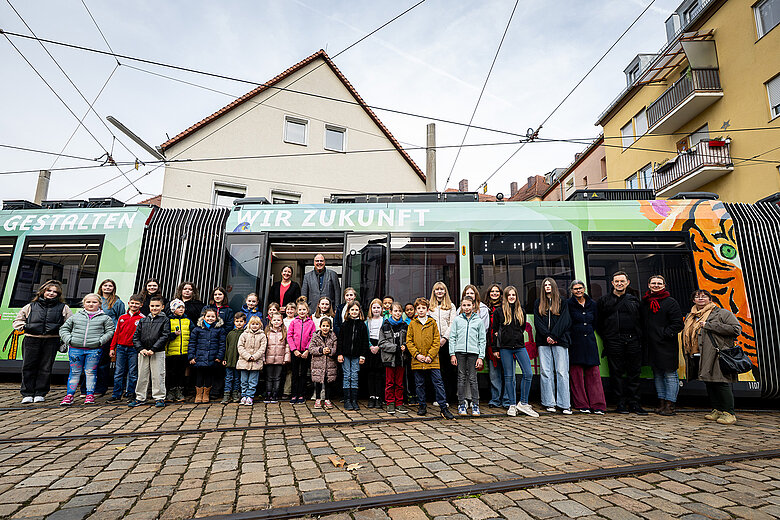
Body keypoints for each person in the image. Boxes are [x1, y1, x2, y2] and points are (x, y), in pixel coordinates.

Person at [682, 289, 742, 425]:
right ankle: (717, 410)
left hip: (717, 353)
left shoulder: (722, 313)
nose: (700, 299)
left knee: (721, 382)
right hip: (699, 354)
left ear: (710, 299)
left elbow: (736, 329)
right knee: (709, 382)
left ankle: (729, 413)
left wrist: (709, 325)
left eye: (704, 297)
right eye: (697, 297)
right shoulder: (691, 315)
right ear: (693, 300)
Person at [14, 280, 73, 404]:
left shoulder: (64, 307)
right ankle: (27, 393)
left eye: (55, 292)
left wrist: (61, 333)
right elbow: (17, 321)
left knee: (45, 367)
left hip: (51, 341)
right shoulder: (30, 306)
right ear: (43, 291)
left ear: (58, 294)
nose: (51, 293)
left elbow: (70, 323)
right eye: (49, 291)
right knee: (28, 366)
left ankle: (40, 393)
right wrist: (26, 327)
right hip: (31, 340)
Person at [597, 271, 647, 415]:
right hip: (614, 341)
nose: (619, 284)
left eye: (622, 281)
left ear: (627, 283)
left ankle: (635, 404)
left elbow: (641, 321)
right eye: (616, 281)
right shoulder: (604, 301)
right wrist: (608, 336)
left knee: (634, 373)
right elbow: (599, 322)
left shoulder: (634, 300)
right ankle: (620, 403)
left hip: (633, 340)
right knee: (616, 373)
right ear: (612, 283)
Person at [59, 294, 115, 405]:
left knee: (91, 372)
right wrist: (69, 340)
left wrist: (100, 341)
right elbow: (64, 328)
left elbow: (110, 331)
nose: (91, 304)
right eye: (88, 302)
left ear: (99, 304)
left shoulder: (105, 318)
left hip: (94, 350)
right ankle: (69, 396)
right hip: (75, 349)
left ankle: (90, 395)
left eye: (94, 302)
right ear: (84, 303)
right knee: (74, 372)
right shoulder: (76, 316)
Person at [640, 275, 684, 416]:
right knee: (657, 374)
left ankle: (670, 405)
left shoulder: (671, 302)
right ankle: (661, 403)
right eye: (654, 283)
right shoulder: (645, 302)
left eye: (659, 283)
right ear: (649, 285)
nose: (656, 285)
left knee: (670, 374)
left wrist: (664, 334)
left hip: (666, 345)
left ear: (664, 285)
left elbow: (678, 323)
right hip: (651, 344)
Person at [407, 297, 454, 419]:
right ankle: (422, 405)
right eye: (419, 308)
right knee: (420, 384)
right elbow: (409, 342)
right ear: (416, 310)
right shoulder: (412, 324)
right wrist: (417, 355)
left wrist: (430, 356)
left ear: (427, 310)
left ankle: (443, 407)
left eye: (423, 308)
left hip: (432, 360)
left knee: (438, 382)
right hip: (418, 360)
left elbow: (436, 341)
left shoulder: (432, 323)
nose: (421, 310)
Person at [496, 286, 538, 418]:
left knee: (528, 373)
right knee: (509, 376)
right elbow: (495, 331)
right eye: (509, 295)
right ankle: (512, 405)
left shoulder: (521, 311)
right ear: (506, 297)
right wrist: (496, 348)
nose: (511, 297)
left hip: (519, 346)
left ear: (516, 296)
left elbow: (521, 328)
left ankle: (523, 403)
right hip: (505, 348)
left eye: (514, 295)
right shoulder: (499, 312)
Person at [534, 277, 572, 415]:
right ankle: (549, 402)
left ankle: (564, 404)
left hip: (560, 340)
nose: (547, 287)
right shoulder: (538, 302)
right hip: (544, 341)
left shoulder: (563, 302)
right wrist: (547, 336)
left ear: (554, 287)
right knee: (546, 372)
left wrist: (554, 336)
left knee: (562, 372)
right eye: (545, 285)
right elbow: (538, 322)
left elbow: (565, 320)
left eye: (550, 285)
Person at [567, 281, 606, 415]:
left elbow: (596, 322)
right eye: (575, 289)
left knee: (593, 374)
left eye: (580, 288)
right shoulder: (568, 304)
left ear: (584, 289)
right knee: (576, 375)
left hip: (589, 341)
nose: (578, 291)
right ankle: (581, 404)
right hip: (575, 342)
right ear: (571, 290)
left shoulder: (593, 304)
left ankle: (598, 405)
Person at [129, 295, 170, 408]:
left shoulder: (165, 320)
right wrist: (141, 349)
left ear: (162, 307)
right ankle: (140, 397)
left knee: (158, 375)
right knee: (142, 375)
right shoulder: (143, 320)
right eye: (152, 306)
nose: (154, 308)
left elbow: (164, 336)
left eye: (157, 306)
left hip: (157, 351)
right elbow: (136, 337)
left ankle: (159, 397)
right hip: (143, 352)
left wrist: (153, 349)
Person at [449, 296, 486, 416]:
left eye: (469, 305)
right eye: (464, 305)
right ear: (461, 306)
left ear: (473, 306)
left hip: (473, 353)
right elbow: (452, 338)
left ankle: (475, 405)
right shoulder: (457, 320)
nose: (466, 308)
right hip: (459, 353)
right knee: (461, 378)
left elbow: (482, 340)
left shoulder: (478, 321)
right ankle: (461, 404)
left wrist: (481, 356)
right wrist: (452, 354)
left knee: (473, 379)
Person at [90, 278, 125, 397]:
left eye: (110, 286)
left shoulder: (117, 302)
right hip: (93, 335)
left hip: (108, 335)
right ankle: (87, 389)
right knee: (90, 363)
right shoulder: (95, 300)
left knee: (103, 364)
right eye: (105, 285)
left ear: (113, 288)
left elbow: (121, 318)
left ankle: (100, 389)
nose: (107, 288)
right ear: (101, 287)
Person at [108, 294, 144, 403]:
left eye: (137, 303)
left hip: (134, 349)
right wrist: (112, 348)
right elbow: (117, 333)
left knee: (132, 372)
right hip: (120, 348)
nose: (134, 305)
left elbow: (143, 336)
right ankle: (116, 394)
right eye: (132, 303)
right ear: (128, 303)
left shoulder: (142, 318)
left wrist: (140, 349)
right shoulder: (122, 317)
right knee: (119, 372)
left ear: (141, 305)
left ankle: (130, 393)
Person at [188, 308, 227, 404]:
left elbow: (222, 344)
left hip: (212, 357)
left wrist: (219, 356)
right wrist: (191, 356)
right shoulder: (197, 329)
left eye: (213, 316)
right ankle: (198, 394)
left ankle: (206, 394)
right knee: (199, 376)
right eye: (208, 316)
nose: (210, 318)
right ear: (204, 317)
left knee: (209, 375)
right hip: (199, 357)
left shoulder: (220, 330)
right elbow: (192, 343)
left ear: (216, 318)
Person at [428, 281, 457, 406]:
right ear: (434, 292)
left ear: (445, 291)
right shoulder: (430, 307)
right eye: (437, 289)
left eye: (442, 289)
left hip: (447, 342)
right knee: (435, 371)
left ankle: (447, 398)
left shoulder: (451, 306)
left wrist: (445, 338)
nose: (439, 291)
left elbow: (453, 323)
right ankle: (436, 397)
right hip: (433, 343)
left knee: (448, 371)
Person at [379, 302, 408, 415]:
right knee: (390, 382)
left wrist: (405, 346)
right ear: (390, 312)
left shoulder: (405, 325)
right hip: (389, 359)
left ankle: (399, 403)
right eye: (395, 311)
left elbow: (408, 340)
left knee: (399, 383)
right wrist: (395, 347)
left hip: (401, 359)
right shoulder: (385, 325)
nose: (398, 313)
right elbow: (382, 343)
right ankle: (390, 403)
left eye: (400, 311)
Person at [337, 301, 367, 411]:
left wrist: (362, 356)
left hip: (356, 355)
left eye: (356, 310)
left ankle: (354, 400)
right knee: (347, 375)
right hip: (345, 355)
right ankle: (347, 400)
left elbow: (365, 341)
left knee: (354, 376)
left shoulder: (362, 325)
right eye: (352, 310)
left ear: (359, 311)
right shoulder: (345, 325)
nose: (354, 312)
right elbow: (340, 340)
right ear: (348, 311)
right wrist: (339, 353)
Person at [287, 300, 315, 404]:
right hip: (295, 352)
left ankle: (302, 394)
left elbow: (312, 337)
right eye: (300, 310)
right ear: (297, 311)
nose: (302, 311)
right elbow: (289, 336)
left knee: (303, 374)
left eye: (304, 309)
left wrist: (307, 350)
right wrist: (294, 350)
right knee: (295, 374)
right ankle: (294, 394)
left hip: (305, 352)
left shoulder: (311, 323)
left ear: (307, 311)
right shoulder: (294, 322)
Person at [165, 299, 193, 402]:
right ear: (173, 309)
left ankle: (179, 391)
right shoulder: (168, 320)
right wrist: (173, 335)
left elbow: (193, 334)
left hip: (184, 352)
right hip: (171, 352)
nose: (181, 309)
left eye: (183, 307)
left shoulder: (188, 321)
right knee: (171, 373)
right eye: (178, 307)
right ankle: (171, 391)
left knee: (181, 372)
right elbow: (164, 335)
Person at [484, 284, 506, 409]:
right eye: (492, 291)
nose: (494, 294)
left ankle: (507, 400)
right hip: (490, 344)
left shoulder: (505, 307)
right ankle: (495, 399)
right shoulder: (486, 308)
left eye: (497, 291)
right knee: (494, 374)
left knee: (507, 373)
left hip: (504, 344)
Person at [237, 316, 267, 406]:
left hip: (256, 362)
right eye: (253, 324)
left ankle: (250, 396)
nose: (254, 326)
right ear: (249, 324)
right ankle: (244, 396)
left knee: (253, 381)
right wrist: (247, 356)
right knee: (244, 381)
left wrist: (255, 356)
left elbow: (262, 348)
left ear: (260, 325)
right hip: (244, 361)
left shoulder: (262, 336)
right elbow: (240, 347)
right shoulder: (244, 334)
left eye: (257, 324)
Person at [309, 316, 338, 409]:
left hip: (329, 364)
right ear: (320, 326)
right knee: (318, 382)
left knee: (328, 382)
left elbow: (335, 349)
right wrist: (321, 350)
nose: (325, 328)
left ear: (330, 327)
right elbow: (311, 348)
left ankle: (327, 399)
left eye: (327, 326)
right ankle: (318, 399)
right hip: (318, 364)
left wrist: (330, 351)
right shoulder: (315, 336)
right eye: (323, 325)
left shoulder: (333, 337)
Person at [263, 313, 290, 403]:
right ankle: (268, 393)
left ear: (282, 321)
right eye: (274, 320)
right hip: (269, 359)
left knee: (277, 377)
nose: (276, 322)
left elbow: (287, 346)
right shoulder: (267, 331)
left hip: (280, 359)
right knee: (269, 377)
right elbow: (264, 346)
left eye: (278, 320)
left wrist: (286, 358)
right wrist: (263, 358)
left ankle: (275, 394)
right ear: (271, 321)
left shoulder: (284, 332)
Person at [221, 312, 246, 404]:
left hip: (239, 360)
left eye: (241, 321)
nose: (239, 323)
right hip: (229, 360)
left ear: (244, 322)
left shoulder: (245, 334)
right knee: (228, 378)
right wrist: (225, 358)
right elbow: (226, 347)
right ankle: (226, 395)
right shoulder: (230, 334)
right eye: (237, 321)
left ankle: (235, 394)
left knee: (237, 378)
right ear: (234, 322)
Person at [364, 298, 385, 408]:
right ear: (371, 309)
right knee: (370, 373)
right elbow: (365, 336)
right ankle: (371, 396)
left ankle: (378, 397)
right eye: (374, 308)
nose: (376, 310)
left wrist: (379, 346)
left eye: (378, 307)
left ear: (381, 309)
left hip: (380, 346)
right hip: (370, 346)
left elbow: (386, 336)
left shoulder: (385, 320)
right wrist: (370, 346)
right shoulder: (368, 321)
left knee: (379, 373)